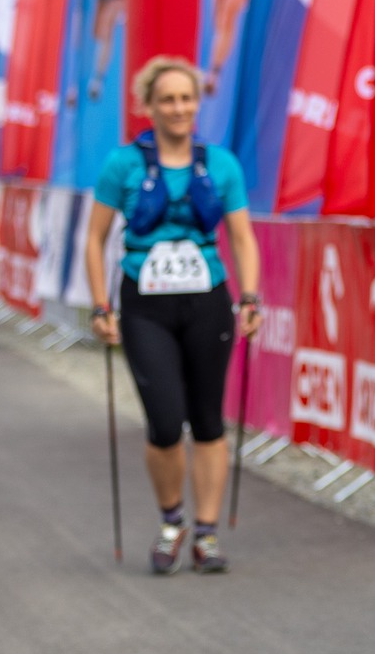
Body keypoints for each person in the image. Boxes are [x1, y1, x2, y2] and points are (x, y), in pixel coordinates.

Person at [83, 56, 262, 575]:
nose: (178, 108)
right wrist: (100, 305)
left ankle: (206, 534)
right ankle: (171, 522)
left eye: (186, 98)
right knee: (164, 422)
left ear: (197, 104)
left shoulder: (221, 165)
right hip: (145, 304)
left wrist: (250, 298)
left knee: (207, 421)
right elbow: (94, 239)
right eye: (167, 100)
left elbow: (242, 237)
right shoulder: (123, 165)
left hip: (207, 301)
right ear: (149, 106)